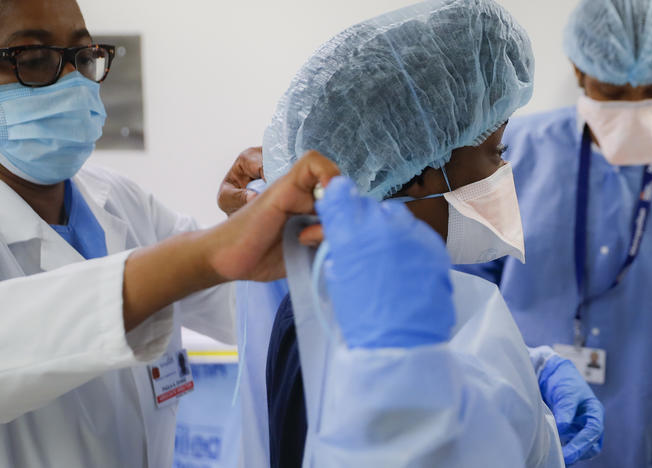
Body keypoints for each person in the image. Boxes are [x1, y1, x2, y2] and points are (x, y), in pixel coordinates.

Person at [223, 0, 604, 466]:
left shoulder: (314, 295)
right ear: (423, 168)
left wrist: (529, 366)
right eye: (494, 148)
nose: (505, 168)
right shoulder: (403, 348)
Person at [0, 0, 341, 466]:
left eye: (83, 56)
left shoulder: (118, 200)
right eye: (32, 59)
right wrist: (201, 256)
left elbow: (240, 310)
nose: (73, 83)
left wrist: (263, 230)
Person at [459, 0, 652, 466]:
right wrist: (531, 368)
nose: (634, 107)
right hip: (527, 428)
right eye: (612, 92)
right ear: (579, 70)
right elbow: (463, 293)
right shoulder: (506, 157)